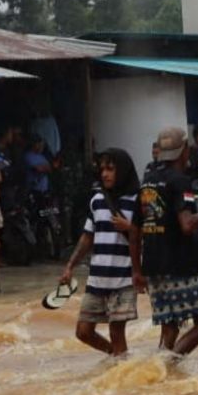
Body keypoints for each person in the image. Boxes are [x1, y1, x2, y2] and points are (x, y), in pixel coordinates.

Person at [137, 126, 198, 359]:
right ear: (185, 151)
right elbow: (188, 225)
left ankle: (159, 375)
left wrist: (136, 268)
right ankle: (166, 365)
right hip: (177, 264)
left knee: (170, 325)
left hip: (152, 264)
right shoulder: (181, 182)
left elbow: (137, 226)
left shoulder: (148, 180)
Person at [60, 148, 142, 357]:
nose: (104, 174)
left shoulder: (138, 200)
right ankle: (117, 358)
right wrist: (70, 267)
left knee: (116, 331)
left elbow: (149, 237)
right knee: (83, 332)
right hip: (97, 279)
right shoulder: (97, 200)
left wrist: (130, 228)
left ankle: (121, 376)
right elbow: (88, 237)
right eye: (102, 169)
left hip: (123, 279)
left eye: (110, 169)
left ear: (122, 171)